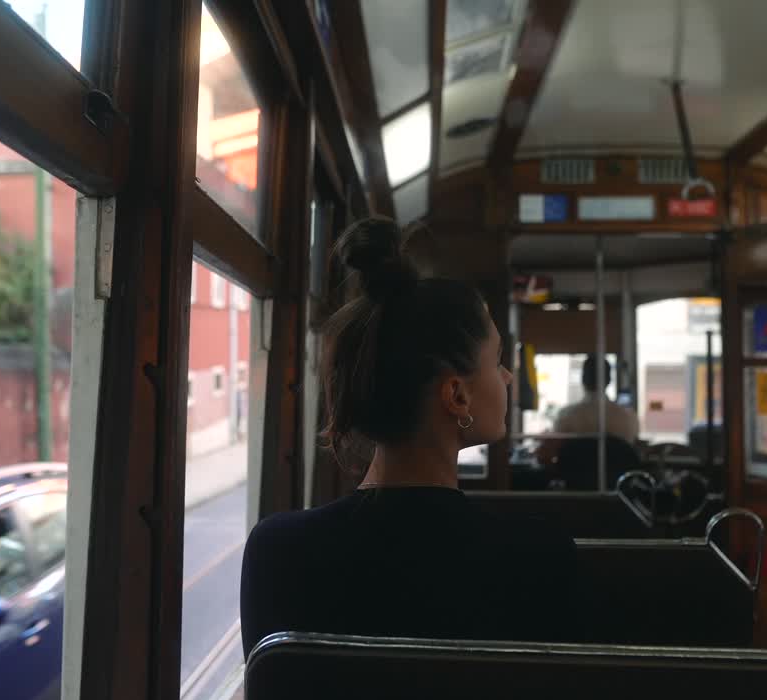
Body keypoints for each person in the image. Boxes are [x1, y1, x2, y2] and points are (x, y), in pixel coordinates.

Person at [240, 217, 579, 654]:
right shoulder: (541, 557)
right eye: (497, 361)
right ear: (456, 395)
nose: (509, 376)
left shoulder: (277, 552)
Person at [534, 355, 640, 467]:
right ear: (609, 380)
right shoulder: (629, 417)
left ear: (583, 379)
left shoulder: (566, 415)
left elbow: (546, 456)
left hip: (574, 482)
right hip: (616, 482)